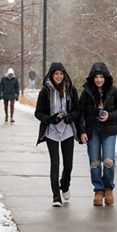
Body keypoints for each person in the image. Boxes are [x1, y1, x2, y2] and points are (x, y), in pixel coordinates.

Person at [78, 62, 117, 206]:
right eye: (96, 77)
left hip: (109, 128)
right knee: (95, 162)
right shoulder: (87, 92)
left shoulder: (114, 91)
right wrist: (82, 131)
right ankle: (98, 190)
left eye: (101, 77)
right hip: (93, 129)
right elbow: (80, 113)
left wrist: (109, 115)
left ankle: (108, 187)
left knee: (108, 161)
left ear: (106, 77)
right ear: (92, 78)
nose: (99, 80)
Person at [34, 62, 80, 207]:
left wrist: (70, 117)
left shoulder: (71, 90)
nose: (59, 76)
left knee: (68, 164)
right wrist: (50, 119)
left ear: (64, 75)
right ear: (51, 75)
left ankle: (65, 185)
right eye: (56, 74)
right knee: (55, 164)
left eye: (61, 74)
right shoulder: (45, 91)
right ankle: (56, 196)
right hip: (51, 132)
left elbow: (77, 110)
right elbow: (38, 112)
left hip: (67, 131)